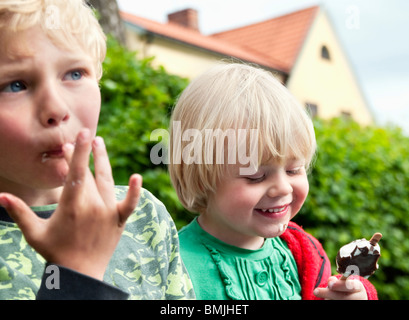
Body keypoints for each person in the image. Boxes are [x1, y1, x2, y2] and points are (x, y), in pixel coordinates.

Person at [0, 0, 194, 300]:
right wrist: (76, 274)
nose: (56, 108)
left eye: (75, 74)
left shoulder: (144, 215)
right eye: (15, 85)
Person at [168, 63, 378, 300]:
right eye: (256, 176)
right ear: (200, 178)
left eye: (294, 170)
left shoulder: (303, 252)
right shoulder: (174, 268)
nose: (283, 187)